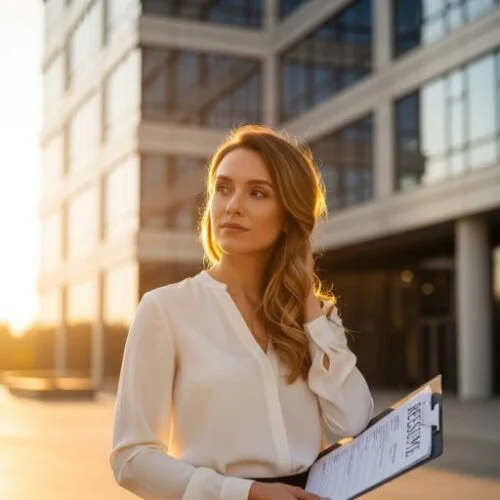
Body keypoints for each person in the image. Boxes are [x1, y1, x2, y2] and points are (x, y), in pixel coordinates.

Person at [110, 124, 374, 500]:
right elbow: (131, 459)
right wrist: (245, 494)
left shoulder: (314, 315)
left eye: (257, 193)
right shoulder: (165, 309)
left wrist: (312, 315)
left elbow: (353, 420)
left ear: (287, 217)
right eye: (223, 188)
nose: (233, 204)